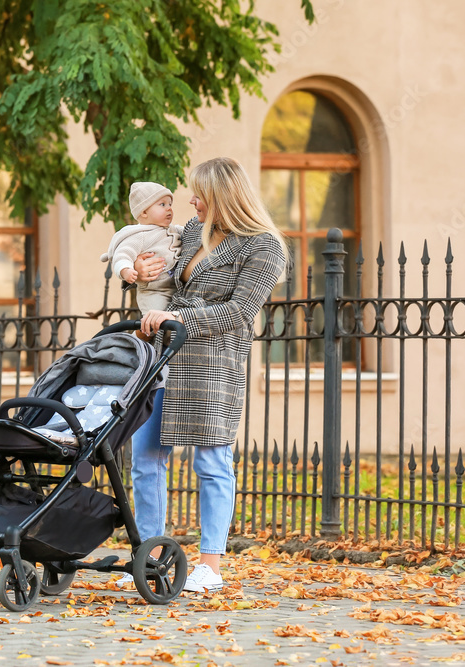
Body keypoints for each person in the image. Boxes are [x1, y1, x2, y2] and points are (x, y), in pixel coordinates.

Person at [124, 157, 287, 593]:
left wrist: (177, 318)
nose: (190, 201)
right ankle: (150, 558)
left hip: (213, 364)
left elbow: (240, 311)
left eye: (198, 193)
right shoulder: (193, 233)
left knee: (211, 462)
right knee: (145, 458)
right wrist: (140, 273)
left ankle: (210, 566)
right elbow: (164, 276)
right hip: (164, 359)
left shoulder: (263, 247)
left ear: (221, 197)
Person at [100, 182, 184, 316]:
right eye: (162, 204)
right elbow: (123, 254)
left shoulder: (173, 229)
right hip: (153, 292)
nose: (169, 209)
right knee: (157, 320)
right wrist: (126, 270)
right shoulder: (139, 236)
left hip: (175, 288)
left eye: (170, 204)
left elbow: (190, 232)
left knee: (176, 319)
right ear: (144, 212)